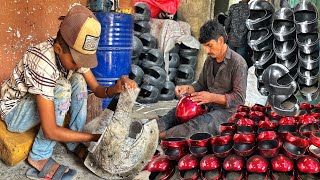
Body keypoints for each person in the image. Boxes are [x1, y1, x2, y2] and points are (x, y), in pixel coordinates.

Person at [0, 4, 136, 180]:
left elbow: (96, 89)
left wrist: (115, 88)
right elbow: (49, 130)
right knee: (63, 88)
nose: (80, 64)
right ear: (58, 49)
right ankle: (39, 156)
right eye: (77, 60)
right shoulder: (42, 61)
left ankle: (73, 142)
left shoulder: (72, 53)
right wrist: (95, 137)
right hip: (14, 112)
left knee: (79, 80)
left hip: (42, 96)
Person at [157, 19, 248, 139]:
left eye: (209, 45)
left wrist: (211, 97)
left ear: (220, 40)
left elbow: (239, 99)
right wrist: (188, 88)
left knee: (198, 124)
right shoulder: (210, 60)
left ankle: (158, 138)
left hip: (227, 113)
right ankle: (152, 129)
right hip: (208, 105)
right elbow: (201, 84)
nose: (206, 51)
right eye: (204, 46)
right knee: (176, 112)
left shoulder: (238, 63)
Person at [224, 0, 252, 68]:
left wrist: (227, 32)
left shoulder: (233, 7)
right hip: (243, 41)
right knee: (239, 63)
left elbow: (227, 23)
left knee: (229, 61)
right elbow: (251, 26)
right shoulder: (250, 10)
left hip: (232, 39)